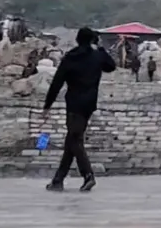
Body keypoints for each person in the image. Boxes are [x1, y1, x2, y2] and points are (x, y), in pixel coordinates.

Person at [43, 26, 116, 192]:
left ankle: (88, 175)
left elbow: (57, 83)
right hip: (89, 104)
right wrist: (101, 49)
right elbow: (111, 66)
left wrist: (47, 105)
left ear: (77, 39)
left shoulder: (71, 57)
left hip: (74, 104)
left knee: (75, 140)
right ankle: (58, 180)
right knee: (72, 139)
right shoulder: (97, 56)